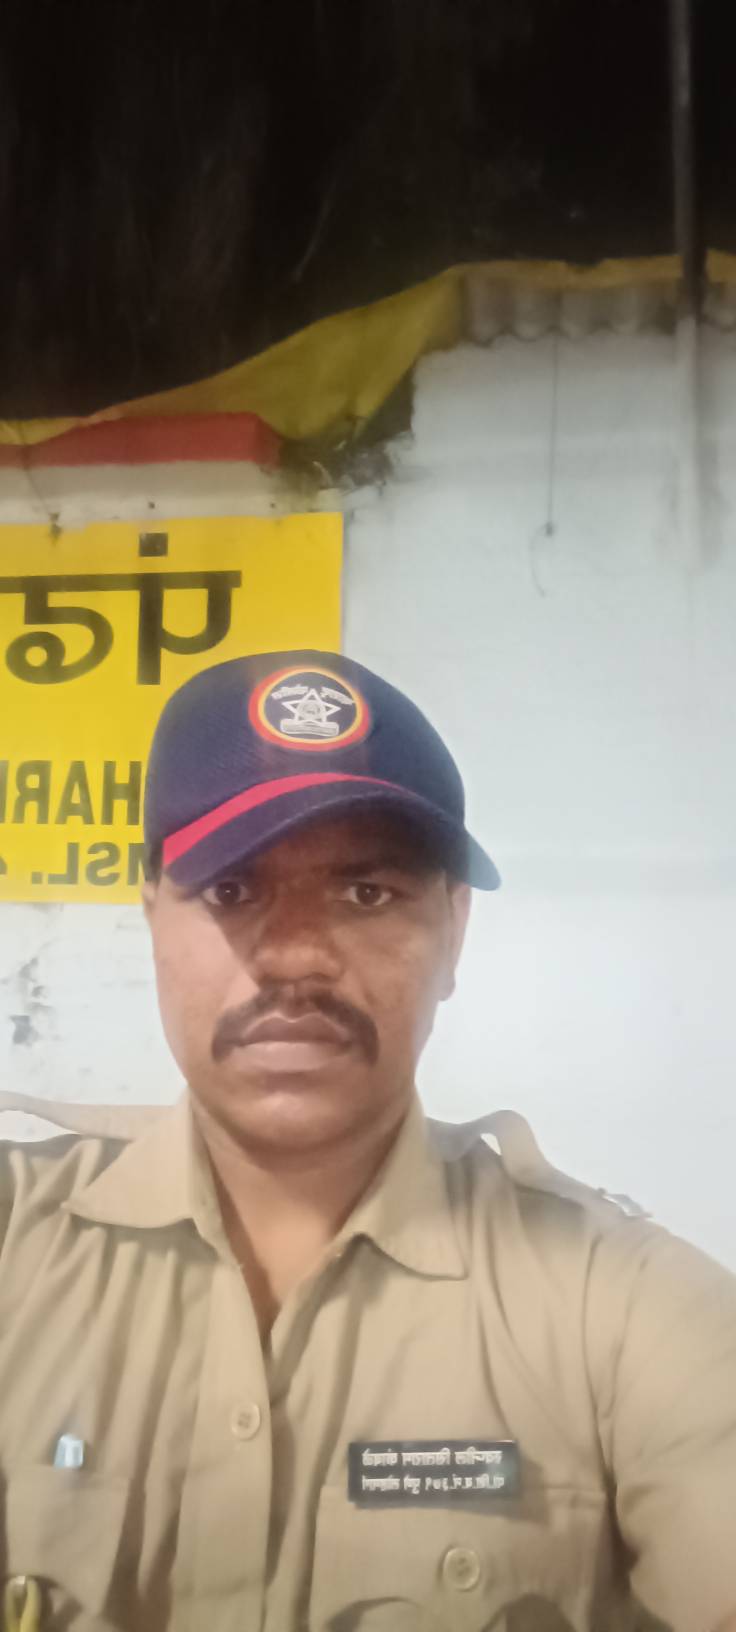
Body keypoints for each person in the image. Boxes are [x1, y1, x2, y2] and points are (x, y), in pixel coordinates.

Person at [0, 648, 735, 1632]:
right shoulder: (17, 1244)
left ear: (454, 932)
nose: (296, 955)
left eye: (366, 895)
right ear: (151, 917)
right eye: (232, 890)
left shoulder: (622, 1304)